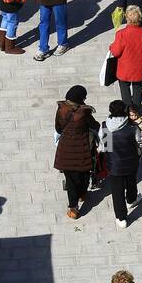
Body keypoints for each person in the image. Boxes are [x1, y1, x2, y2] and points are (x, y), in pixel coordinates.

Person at [54, 84, 98, 221]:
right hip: (82, 150)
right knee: (84, 174)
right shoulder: (84, 113)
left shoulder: (61, 110)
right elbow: (94, 126)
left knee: (71, 180)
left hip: (65, 150)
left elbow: (59, 128)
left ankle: (73, 208)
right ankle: (82, 195)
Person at [100, 99, 142, 230]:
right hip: (131, 162)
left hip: (113, 165)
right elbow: (139, 141)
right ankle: (131, 200)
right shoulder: (132, 127)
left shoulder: (105, 127)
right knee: (131, 182)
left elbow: (105, 148)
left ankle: (121, 218)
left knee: (117, 191)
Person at [108, 4, 142, 111]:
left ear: (127, 18)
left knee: (125, 89)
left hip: (124, 70)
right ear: (140, 18)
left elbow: (116, 52)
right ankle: (136, 110)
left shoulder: (121, 34)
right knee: (138, 89)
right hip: (140, 69)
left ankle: (127, 110)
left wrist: (111, 46)